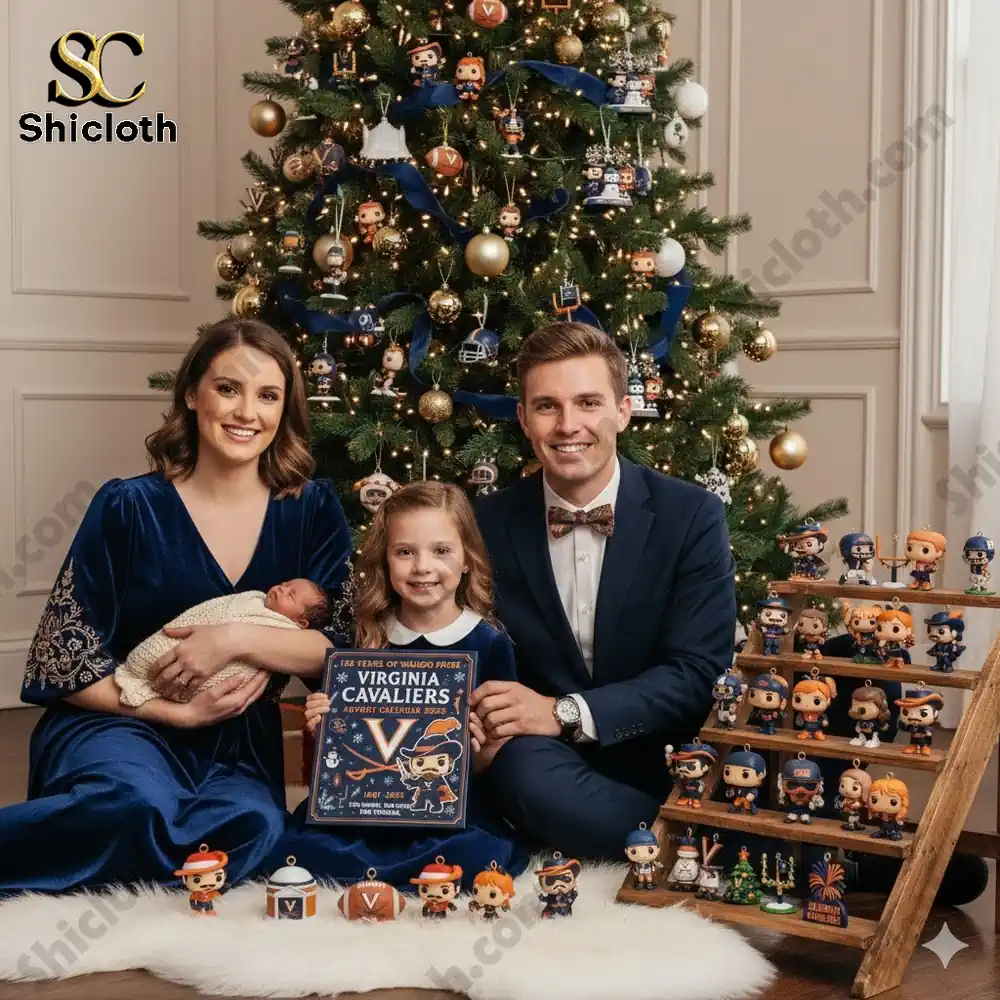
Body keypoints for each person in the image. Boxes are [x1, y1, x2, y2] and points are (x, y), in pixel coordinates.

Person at [0, 318, 353, 896]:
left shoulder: (311, 508)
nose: (247, 412)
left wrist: (234, 638)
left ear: (285, 410)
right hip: (118, 720)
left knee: (255, 830)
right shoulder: (128, 506)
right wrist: (174, 713)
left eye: (268, 396)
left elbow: (337, 650)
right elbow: (60, 662)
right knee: (132, 804)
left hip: (237, 739)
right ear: (192, 394)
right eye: (228, 389)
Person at [472, 321, 737, 859]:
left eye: (588, 402)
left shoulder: (692, 515)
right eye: (547, 406)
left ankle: (690, 843)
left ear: (622, 410)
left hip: (668, 753)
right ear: (523, 419)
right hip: (547, 764)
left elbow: (697, 673)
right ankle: (714, 851)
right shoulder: (484, 522)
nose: (569, 425)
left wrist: (566, 712)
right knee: (519, 773)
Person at [276, 481, 530, 891]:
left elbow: (499, 754)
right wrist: (324, 727)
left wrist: (479, 750)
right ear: (385, 560)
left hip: (447, 805)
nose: (422, 567)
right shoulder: (363, 637)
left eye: (441, 551)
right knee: (294, 848)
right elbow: (343, 750)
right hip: (363, 805)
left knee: (479, 855)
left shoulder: (488, 642)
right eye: (405, 552)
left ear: (468, 559)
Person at [115, 578, 330, 707]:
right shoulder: (252, 600)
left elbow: (329, 655)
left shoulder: (284, 629)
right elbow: (218, 611)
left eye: (290, 595)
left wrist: (232, 640)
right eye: (284, 584)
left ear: (301, 622)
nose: (281, 589)